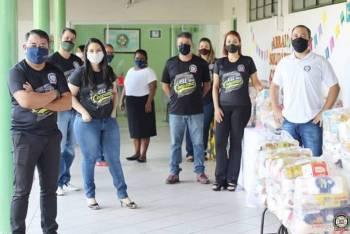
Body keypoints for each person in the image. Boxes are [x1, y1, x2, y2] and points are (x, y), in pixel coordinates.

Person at [8, 29, 72, 234]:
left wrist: (38, 96)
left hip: (50, 136)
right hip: (25, 136)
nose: (38, 49)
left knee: (49, 190)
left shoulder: (55, 71)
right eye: (33, 45)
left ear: (48, 47)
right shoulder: (17, 72)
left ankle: (50, 230)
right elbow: (25, 101)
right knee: (21, 190)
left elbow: (68, 103)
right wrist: (53, 95)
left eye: (43, 45)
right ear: (25, 46)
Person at [68, 38, 137, 210]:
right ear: (86, 53)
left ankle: (123, 195)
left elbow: (114, 92)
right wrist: (83, 112)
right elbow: (68, 96)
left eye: (98, 50)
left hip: (109, 122)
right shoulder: (80, 73)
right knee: (90, 158)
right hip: (87, 123)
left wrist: (113, 112)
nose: (95, 54)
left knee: (114, 159)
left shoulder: (108, 70)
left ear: (103, 53)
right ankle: (90, 196)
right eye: (91, 51)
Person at [271, 25, 340, 157]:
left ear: (309, 40)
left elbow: (335, 87)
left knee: (314, 163)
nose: (299, 38)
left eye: (303, 36)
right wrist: (275, 108)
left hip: (312, 122)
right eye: (295, 36)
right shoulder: (284, 63)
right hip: (288, 122)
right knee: (288, 162)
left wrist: (324, 112)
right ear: (291, 39)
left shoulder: (320, 61)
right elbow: (274, 86)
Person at [212, 30, 263, 191]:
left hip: (241, 108)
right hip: (222, 109)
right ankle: (220, 178)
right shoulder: (219, 63)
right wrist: (216, 108)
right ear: (225, 45)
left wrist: (269, 94)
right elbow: (215, 87)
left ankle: (232, 178)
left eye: (234, 41)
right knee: (220, 143)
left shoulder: (247, 61)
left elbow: (256, 83)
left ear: (239, 43)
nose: (231, 44)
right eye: (228, 41)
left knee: (235, 142)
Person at [162, 32, 211, 184]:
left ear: (191, 44)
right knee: (175, 144)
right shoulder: (170, 63)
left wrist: (199, 97)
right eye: (180, 43)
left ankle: (200, 172)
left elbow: (207, 84)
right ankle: (173, 172)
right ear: (177, 46)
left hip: (196, 110)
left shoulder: (200, 63)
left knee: (198, 143)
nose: (183, 46)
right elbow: (164, 84)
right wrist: (172, 96)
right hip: (176, 112)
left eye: (186, 43)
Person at [48, 27, 83, 196]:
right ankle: (56, 183)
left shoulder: (78, 61)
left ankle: (65, 180)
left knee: (70, 148)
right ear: (60, 39)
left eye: (72, 39)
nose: (68, 41)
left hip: (75, 109)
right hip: (60, 109)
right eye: (66, 38)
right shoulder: (51, 61)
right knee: (60, 147)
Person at [120, 49, 157, 163]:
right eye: (137, 58)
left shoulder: (149, 71)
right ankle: (136, 153)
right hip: (131, 102)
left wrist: (148, 102)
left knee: (145, 129)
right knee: (135, 130)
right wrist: (122, 100)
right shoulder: (130, 70)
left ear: (146, 59)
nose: (139, 60)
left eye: (141, 58)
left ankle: (143, 155)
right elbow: (126, 87)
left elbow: (153, 88)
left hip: (144, 101)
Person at [185, 37, 216, 162]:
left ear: (210, 48)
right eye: (202, 46)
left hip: (209, 100)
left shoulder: (216, 62)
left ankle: (201, 151)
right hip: (193, 99)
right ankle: (190, 152)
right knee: (190, 126)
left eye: (206, 46)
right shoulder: (193, 62)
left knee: (204, 126)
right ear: (198, 48)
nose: (204, 48)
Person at [95, 43, 116, 167]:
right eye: (107, 52)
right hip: (95, 107)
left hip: (107, 107)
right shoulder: (93, 68)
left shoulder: (109, 69)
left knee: (105, 135)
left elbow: (113, 89)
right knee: (97, 134)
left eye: (111, 53)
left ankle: (103, 156)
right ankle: (98, 157)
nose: (109, 55)